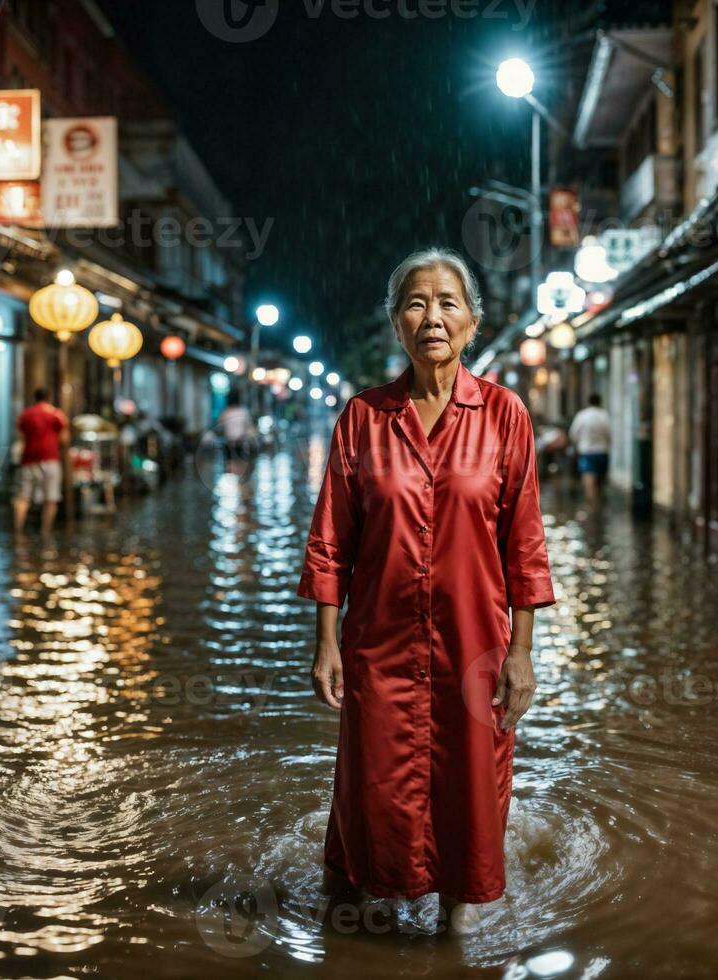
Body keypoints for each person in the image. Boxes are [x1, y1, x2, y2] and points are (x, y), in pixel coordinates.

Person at [297, 248, 555, 935]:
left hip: (474, 645)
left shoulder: (504, 416)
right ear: (396, 323)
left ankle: (457, 920)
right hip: (378, 643)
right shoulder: (363, 418)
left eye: (448, 303)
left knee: (471, 781)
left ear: (473, 322)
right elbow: (331, 542)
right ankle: (364, 893)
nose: (432, 316)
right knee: (373, 778)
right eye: (416, 302)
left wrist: (521, 651)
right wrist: (327, 643)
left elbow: (524, 544)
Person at [12, 388, 69, 534]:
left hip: (28, 459)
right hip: (50, 458)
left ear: (34, 398)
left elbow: (20, 437)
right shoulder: (56, 414)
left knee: (23, 497)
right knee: (50, 498)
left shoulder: (25, 415)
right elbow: (64, 438)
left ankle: (18, 531)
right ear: (49, 398)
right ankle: (45, 531)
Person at [568, 392, 611, 502]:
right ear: (600, 402)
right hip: (602, 451)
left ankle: (591, 503)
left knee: (588, 480)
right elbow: (609, 434)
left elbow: (573, 434)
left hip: (586, 452)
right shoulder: (604, 415)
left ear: (588, 402)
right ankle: (599, 501)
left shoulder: (582, 415)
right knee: (600, 481)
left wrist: (578, 443)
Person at [215, 391, 255, 466]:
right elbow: (249, 426)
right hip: (239, 441)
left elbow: (219, 424)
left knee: (229, 463)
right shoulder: (243, 411)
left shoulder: (226, 412)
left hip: (230, 441)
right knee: (240, 462)